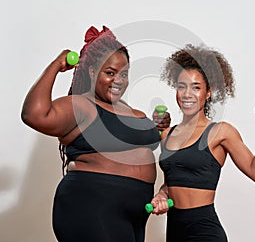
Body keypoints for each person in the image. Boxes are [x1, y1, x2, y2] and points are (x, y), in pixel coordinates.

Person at [21, 25, 170, 242]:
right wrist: (56, 65)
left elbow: (135, 145)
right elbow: (34, 115)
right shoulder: (82, 105)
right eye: (110, 73)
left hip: (136, 214)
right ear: (92, 72)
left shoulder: (131, 111)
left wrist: (158, 127)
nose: (119, 80)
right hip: (92, 208)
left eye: (124, 74)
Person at [150, 44, 255, 242]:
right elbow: (172, 183)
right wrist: (161, 195)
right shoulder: (167, 134)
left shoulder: (220, 132)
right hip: (174, 233)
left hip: (205, 233)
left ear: (208, 92)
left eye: (196, 87)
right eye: (181, 86)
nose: (187, 94)